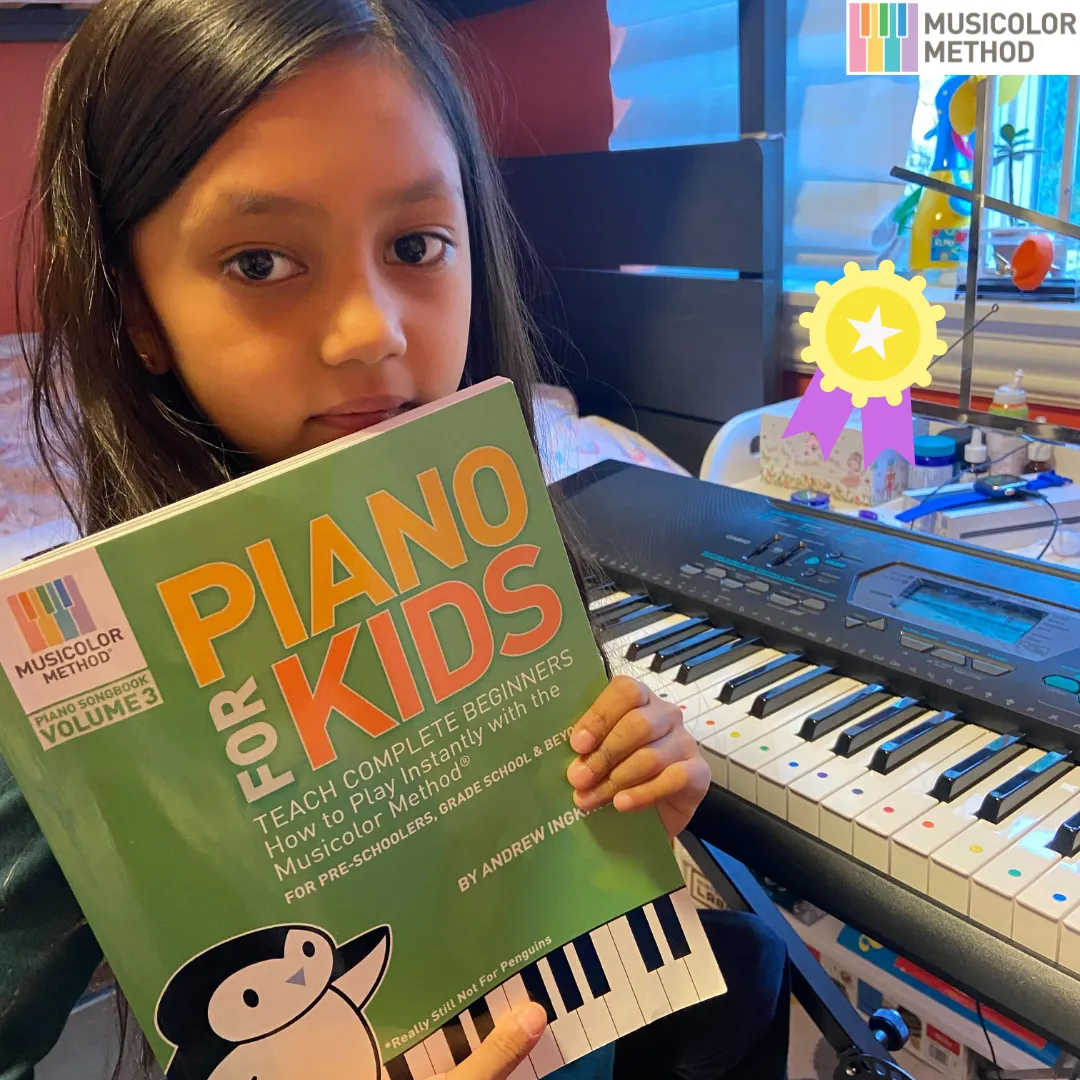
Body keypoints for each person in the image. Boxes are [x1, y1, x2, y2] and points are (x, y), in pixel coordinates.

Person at [0, 1, 788, 1077]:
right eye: (261, 262)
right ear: (138, 310)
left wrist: (644, 805)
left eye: (417, 244)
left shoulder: (490, 546)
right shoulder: (75, 701)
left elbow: (561, 887)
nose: (372, 329)